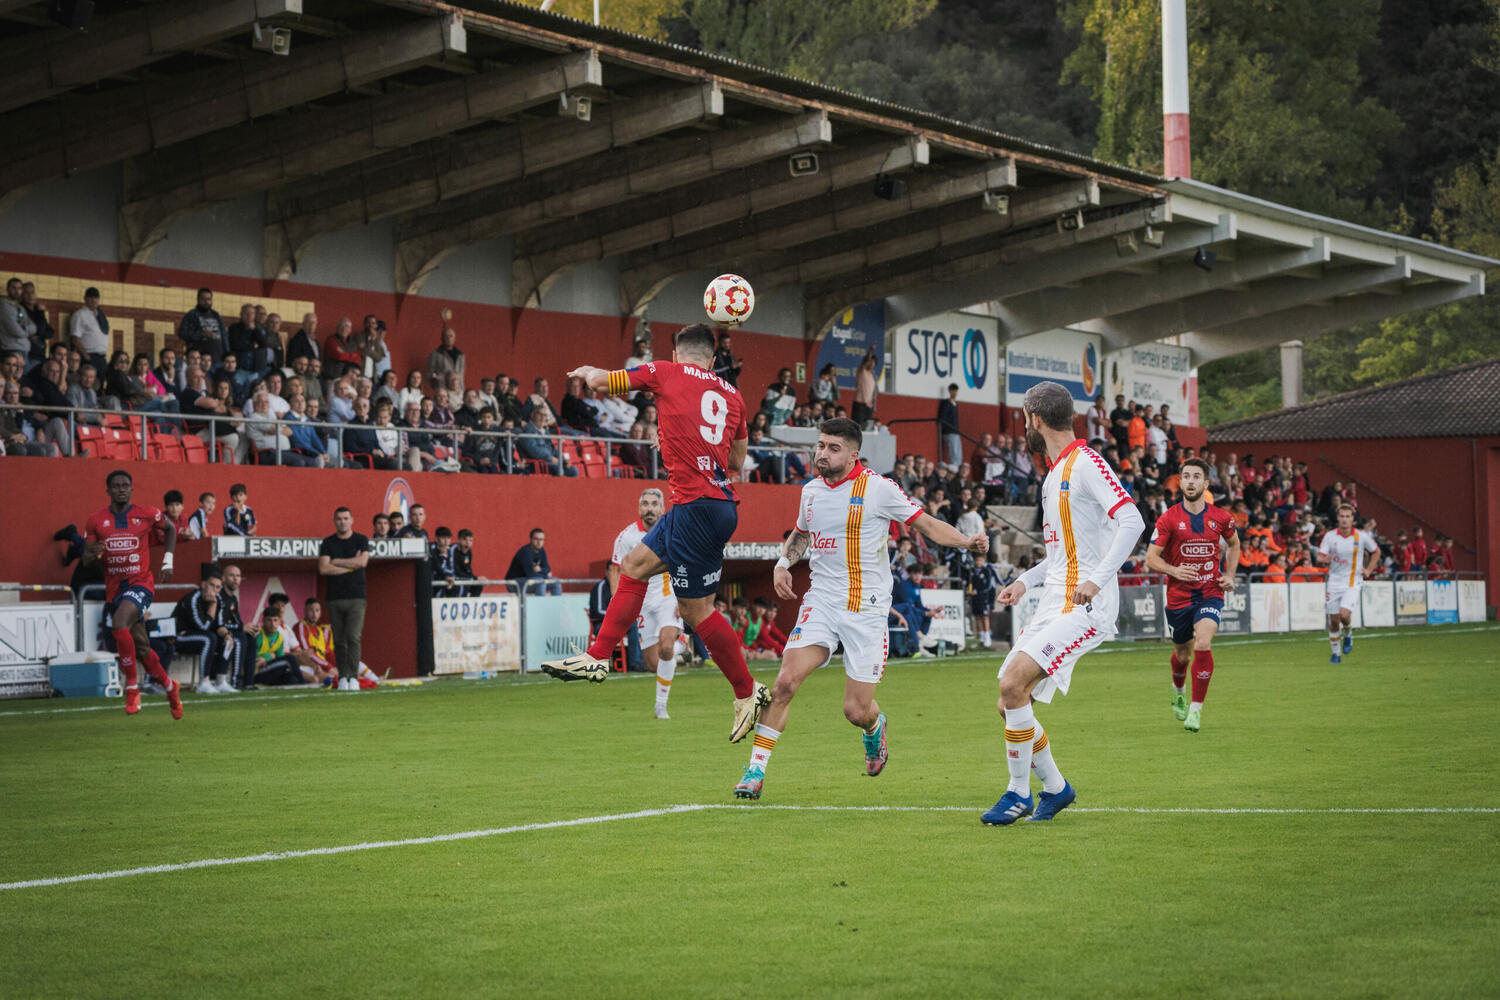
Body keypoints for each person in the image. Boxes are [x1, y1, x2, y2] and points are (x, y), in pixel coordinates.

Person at [732, 419, 989, 799]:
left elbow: (926, 524)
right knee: (785, 682)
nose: (822, 453)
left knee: (856, 710)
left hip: (866, 610)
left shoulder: (879, 489)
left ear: (853, 455)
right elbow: (801, 532)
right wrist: (783, 564)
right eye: (820, 445)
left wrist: (967, 542)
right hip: (821, 601)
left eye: (833, 448)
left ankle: (874, 726)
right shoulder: (811, 492)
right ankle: (755, 771)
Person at [540, 324, 769, 743]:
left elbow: (604, 383)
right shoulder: (733, 395)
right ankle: (597, 656)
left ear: (677, 354)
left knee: (697, 612)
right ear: (712, 360)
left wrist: (588, 371)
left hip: (694, 506)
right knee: (634, 565)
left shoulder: (666, 371)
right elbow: (737, 461)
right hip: (716, 505)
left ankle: (746, 691)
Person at [984, 381, 1143, 826]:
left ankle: (1018, 793)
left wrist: (1096, 580)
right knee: (1009, 702)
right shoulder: (1055, 474)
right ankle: (1056, 789)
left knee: (1013, 681)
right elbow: (1060, 557)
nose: (1024, 426)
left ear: (1035, 419)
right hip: (1053, 600)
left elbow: (1132, 520)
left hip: (1084, 606)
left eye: (1024, 418)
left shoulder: (1087, 463)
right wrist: (1025, 581)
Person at [1143, 458, 1240, 732]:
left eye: (1196, 477)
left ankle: (1196, 710)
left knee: (1203, 643)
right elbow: (1151, 558)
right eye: (1186, 476)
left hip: (1210, 592)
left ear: (1206, 483)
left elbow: (1234, 544)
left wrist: (1230, 576)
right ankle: (1178, 689)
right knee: (1183, 656)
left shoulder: (1221, 518)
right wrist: (1174, 570)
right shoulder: (1168, 519)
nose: (1190, 481)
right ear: (1181, 482)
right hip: (1178, 598)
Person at [81, 470, 183, 718]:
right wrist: (94, 553)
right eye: (116, 486)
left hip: (141, 584)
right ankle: (170, 687)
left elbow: (170, 528)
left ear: (131, 489)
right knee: (142, 648)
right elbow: (86, 560)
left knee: (118, 623)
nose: (121, 489)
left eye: (125, 485)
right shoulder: (95, 521)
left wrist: (168, 561)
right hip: (116, 589)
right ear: (108, 490)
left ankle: (132, 689)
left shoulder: (146, 514)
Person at [609, 489, 683, 719]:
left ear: (662, 508)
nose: (649, 508)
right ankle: (681, 647)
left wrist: (685, 598)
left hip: (668, 597)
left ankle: (661, 706)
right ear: (639, 508)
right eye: (645, 504)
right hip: (641, 602)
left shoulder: (674, 532)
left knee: (666, 647)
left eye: (654, 504)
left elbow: (687, 564)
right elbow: (615, 570)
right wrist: (618, 603)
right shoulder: (626, 537)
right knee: (652, 663)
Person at [1315, 503, 1380, 664]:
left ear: (1353, 519)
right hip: (1334, 582)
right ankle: (1336, 654)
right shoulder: (1330, 536)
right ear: (1337, 518)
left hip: (1352, 582)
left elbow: (1376, 551)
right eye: (1342, 516)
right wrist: (1324, 559)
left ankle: (1348, 633)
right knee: (1334, 620)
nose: (1344, 519)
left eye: (1347, 516)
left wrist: (1369, 570)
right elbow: (1319, 557)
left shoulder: (1361, 536)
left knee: (1344, 614)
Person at [318, 506, 370, 691]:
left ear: (352, 520)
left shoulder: (361, 540)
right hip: (334, 597)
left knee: (353, 637)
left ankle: (353, 677)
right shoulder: (328, 542)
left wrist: (337, 561)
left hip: (356, 597)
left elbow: (362, 562)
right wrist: (351, 566)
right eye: (339, 519)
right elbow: (323, 568)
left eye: (345, 518)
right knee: (339, 640)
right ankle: (343, 677)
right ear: (334, 521)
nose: (342, 522)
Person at [172, 563, 241, 694]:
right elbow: (203, 627)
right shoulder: (193, 598)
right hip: (179, 636)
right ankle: (203, 682)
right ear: (204, 585)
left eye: (218, 587)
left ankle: (220, 681)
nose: (214, 590)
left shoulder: (219, 599)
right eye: (212, 585)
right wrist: (213, 604)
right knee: (209, 638)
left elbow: (219, 625)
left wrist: (227, 634)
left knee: (228, 640)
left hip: (199, 636)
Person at [506, 527, 561, 595]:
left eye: (541, 539)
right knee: (540, 582)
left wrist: (540, 570)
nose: (539, 542)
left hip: (531, 580)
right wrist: (546, 575)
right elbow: (530, 573)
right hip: (514, 583)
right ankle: (540, 602)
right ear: (531, 539)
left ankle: (556, 602)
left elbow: (547, 568)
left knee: (556, 582)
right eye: (536, 539)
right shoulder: (526, 552)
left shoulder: (542, 551)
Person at [937, 382, 961, 469]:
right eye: (954, 391)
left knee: (958, 452)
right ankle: (954, 469)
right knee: (953, 452)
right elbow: (942, 417)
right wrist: (944, 430)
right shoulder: (947, 403)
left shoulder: (955, 404)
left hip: (955, 431)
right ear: (950, 391)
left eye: (956, 391)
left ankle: (958, 468)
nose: (955, 393)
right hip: (949, 431)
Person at [851, 347, 878, 427]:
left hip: (869, 407)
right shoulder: (861, 370)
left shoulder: (873, 376)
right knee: (857, 429)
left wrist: (874, 405)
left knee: (868, 429)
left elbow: (874, 392)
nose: (871, 363)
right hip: (860, 405)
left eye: (873, 362)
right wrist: (870, 351)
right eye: (870, 361)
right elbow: (865, 361)